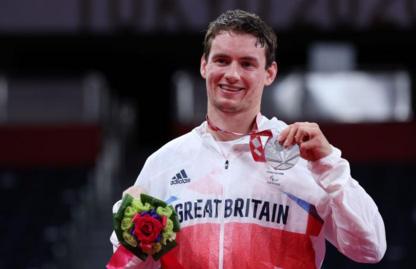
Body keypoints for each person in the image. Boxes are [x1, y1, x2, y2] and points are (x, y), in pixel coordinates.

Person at [111, 9, 386, 269]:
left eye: (247, 64)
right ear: (204, 65)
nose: (232, 74)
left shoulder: (303, 157)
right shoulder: (164, 163)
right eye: (221, 60)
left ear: (270, 73)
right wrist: (131, 236)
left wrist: (328, 165)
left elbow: (370, 248)